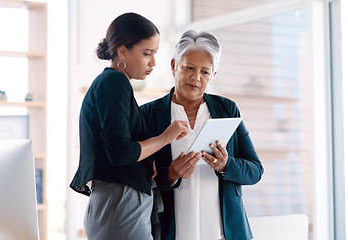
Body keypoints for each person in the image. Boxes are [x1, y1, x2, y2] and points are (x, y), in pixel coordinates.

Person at [70, 13, 194, 240]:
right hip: (120, 203)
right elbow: (120, 153)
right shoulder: (115, 82)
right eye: (147, 53)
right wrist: (166, 137)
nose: (153, 62)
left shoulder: (111, 83)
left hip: (117, 202)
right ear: (122, 51)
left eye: (155, 54)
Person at [140, 30, 264, 240]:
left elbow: (255, 170)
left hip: (224, 234)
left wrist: (226, 165)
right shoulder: (147, 115)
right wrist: (169, 174)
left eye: (205, 72)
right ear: (173, 66)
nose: (196, 78)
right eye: (189, 67)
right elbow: (136, 180)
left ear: (213, 75)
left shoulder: (227, 109)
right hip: (171, 232)